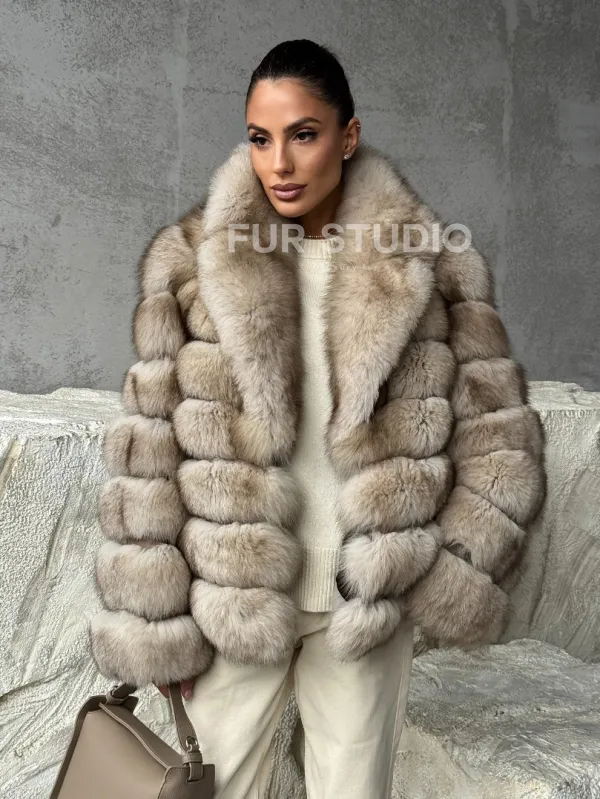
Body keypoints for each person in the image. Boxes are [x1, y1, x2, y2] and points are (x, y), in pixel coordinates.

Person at [90, 39, 546, 799]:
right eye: (260, 138)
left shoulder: (426, 263)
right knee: (210, 788)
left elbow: (498, 434)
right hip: (234, 597)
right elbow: (149, 450)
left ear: (348, 135)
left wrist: (445, 567)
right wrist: (154, 621)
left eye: (303, 134)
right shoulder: (193, 263)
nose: (280, 163)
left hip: (365, 598)